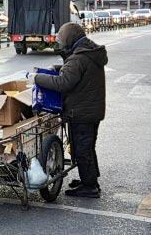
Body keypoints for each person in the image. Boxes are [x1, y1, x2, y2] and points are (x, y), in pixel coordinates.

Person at [27, 22, 107, 198]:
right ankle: (90, 179)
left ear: (70, 38)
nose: (61, 44)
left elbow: (63, 83)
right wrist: (56, 69)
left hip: (82, 111)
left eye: (62, 40)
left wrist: (38, 78)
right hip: (91, 110)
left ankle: (90, 186)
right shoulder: (87, 53)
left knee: (82, 149)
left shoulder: (79, 58)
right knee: (87, 147)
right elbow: (72, 73)